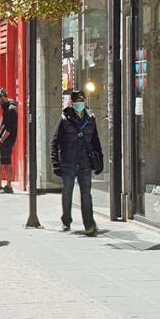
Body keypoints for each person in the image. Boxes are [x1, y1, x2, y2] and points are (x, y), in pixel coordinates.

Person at [51, 89, 104, 236]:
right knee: (67, 192)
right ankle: (66, 220)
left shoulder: (90, 118)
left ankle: (89, 225)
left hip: (85, 163)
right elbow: (54, 142)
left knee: (86, 194)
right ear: (72, 103)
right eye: (77, 101)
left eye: (82, 101)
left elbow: (96, 141)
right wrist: (56, 163)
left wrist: (100, 160)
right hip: (68, 163)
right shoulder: (64, 118)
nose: (80, 104)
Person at [0, 87, 19, 193]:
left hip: (7, 140)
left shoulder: (11, 109)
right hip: (2, 140)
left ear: (3, 97)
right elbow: (4, 124)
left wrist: (2, 138)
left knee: (6, 162)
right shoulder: (6, 107)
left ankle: (9, 185)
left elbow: (10, 128)